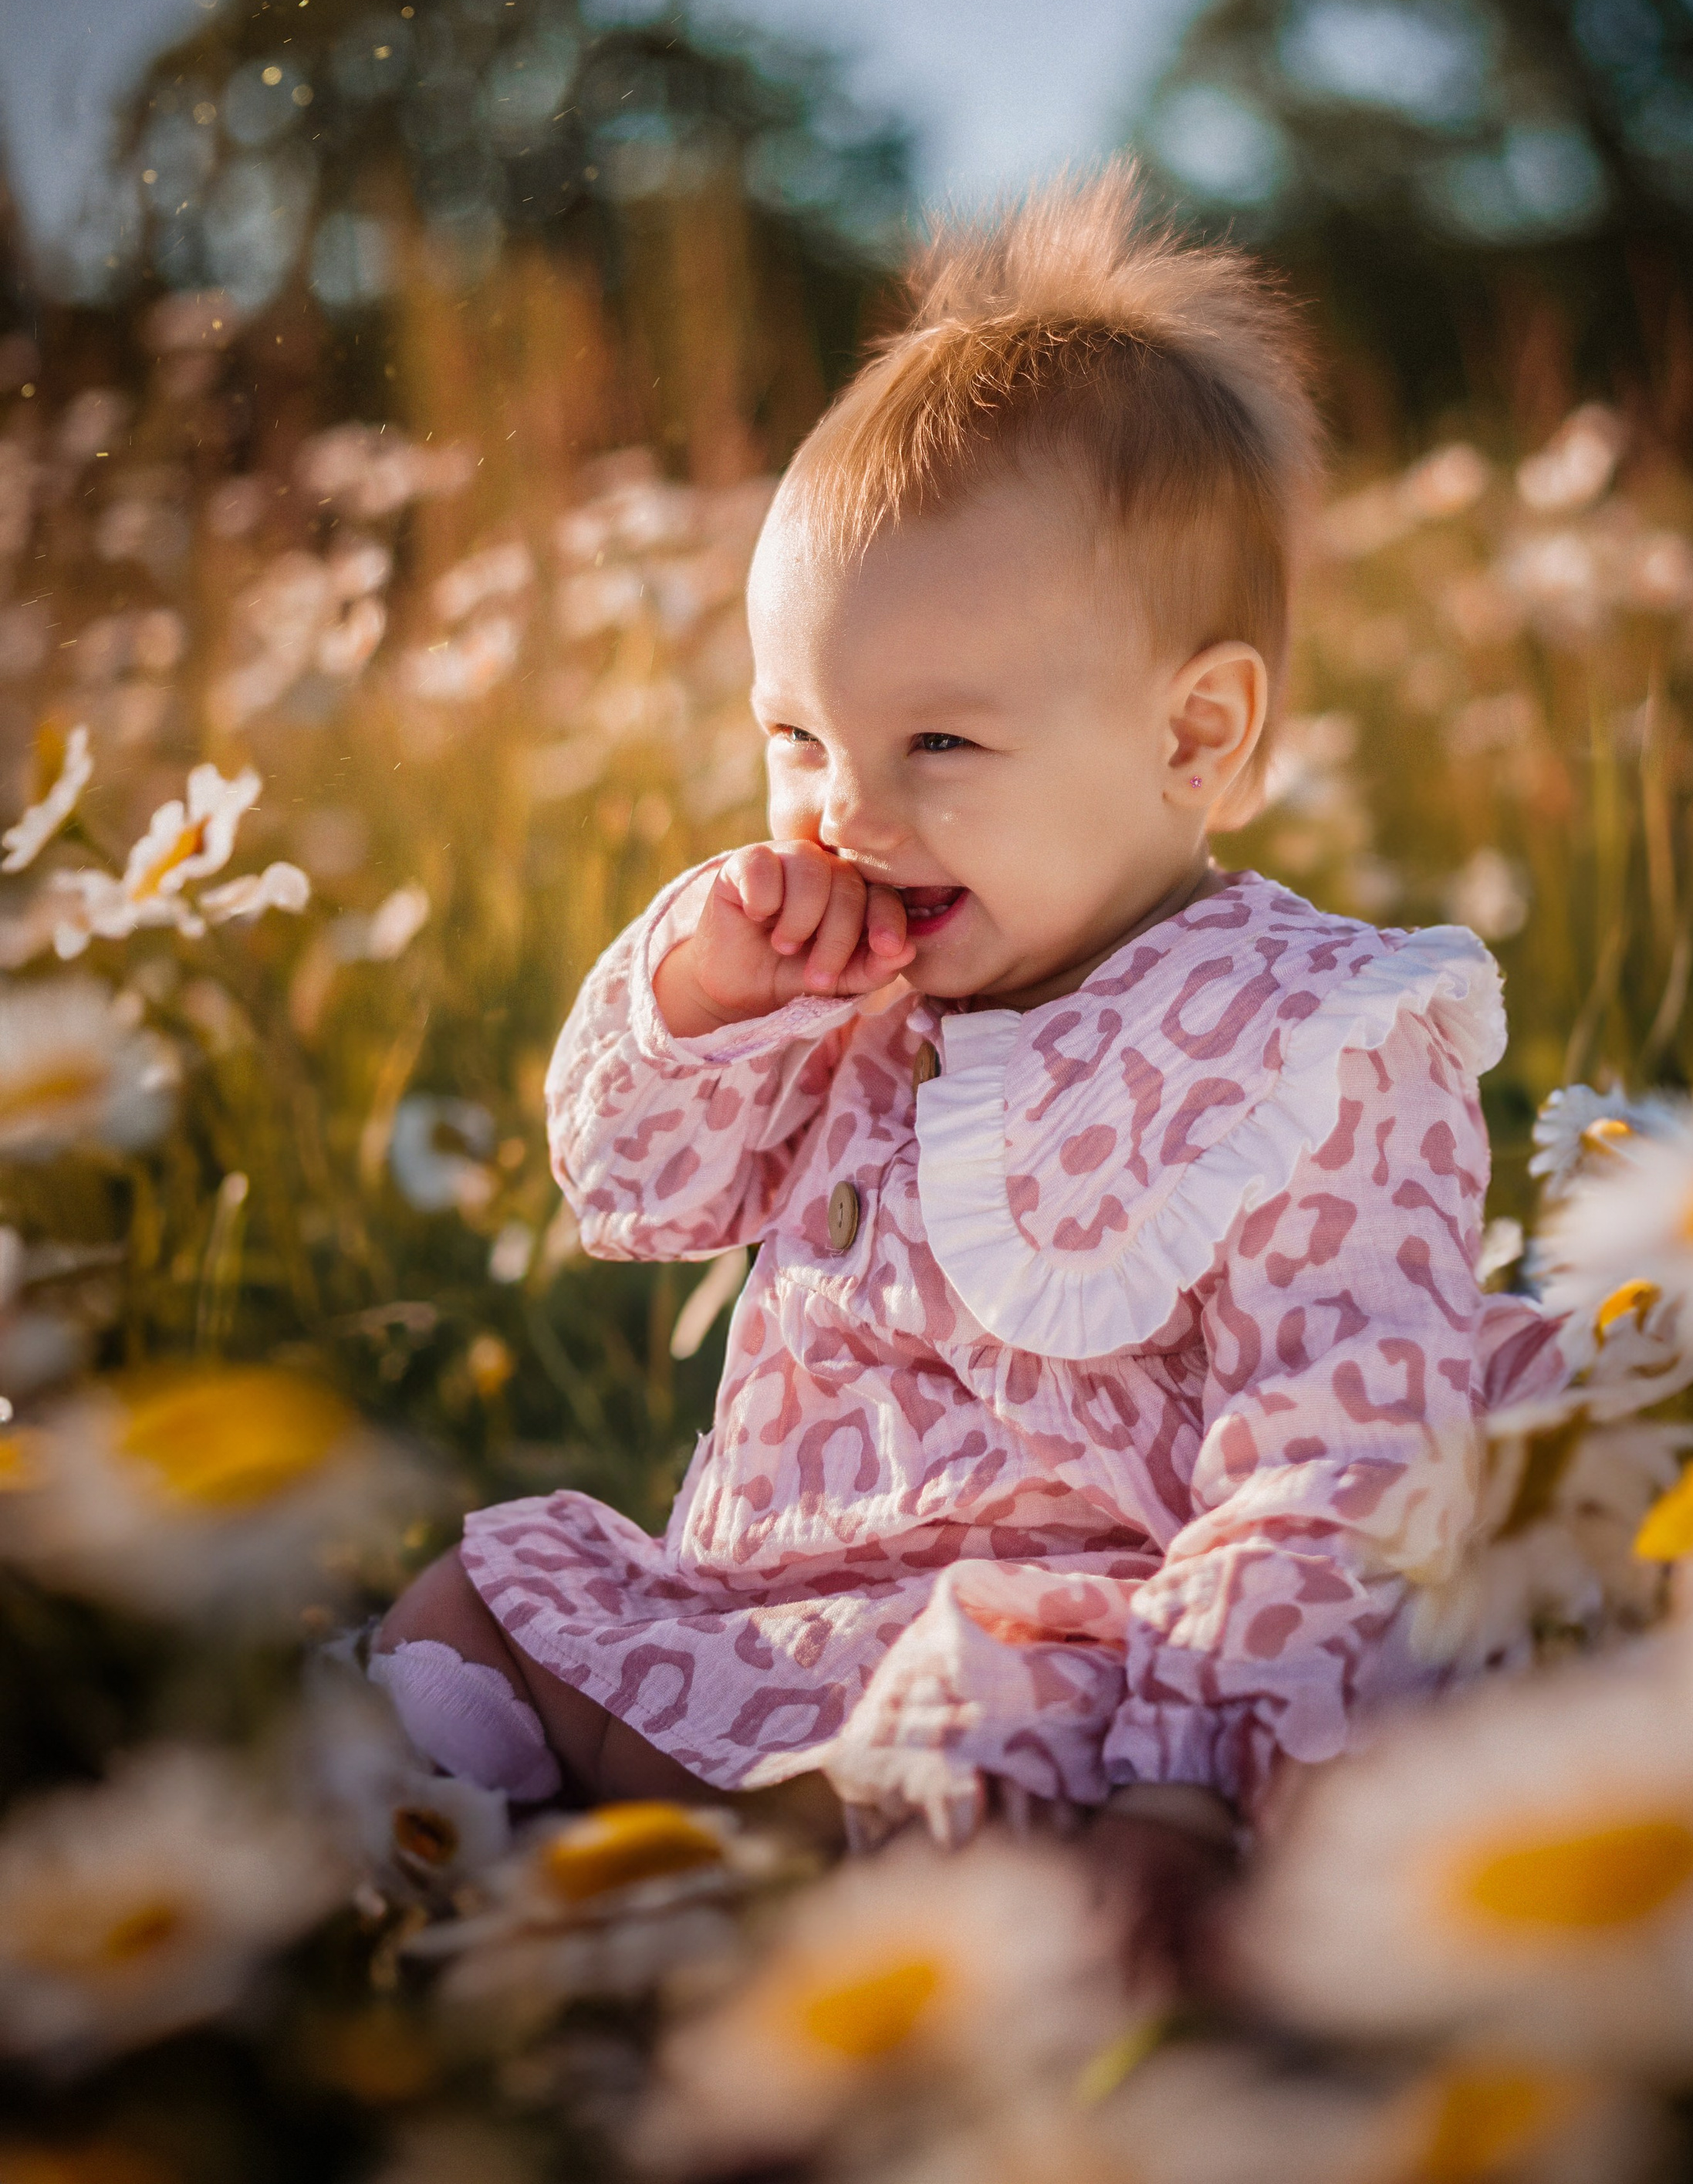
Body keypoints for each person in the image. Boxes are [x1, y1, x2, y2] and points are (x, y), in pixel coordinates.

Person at [370, 162, 1565, 1886]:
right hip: (763, 1612)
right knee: (487, 1593)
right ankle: (487, 1848)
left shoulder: (1307, 1044)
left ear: (1192, 736)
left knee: (983, 1721)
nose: (845, 813)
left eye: (936, 746)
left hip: (1090, 1650)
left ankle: (763, 1902)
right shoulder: (848, 991)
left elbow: (1337, 1456)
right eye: (797, 737)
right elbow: (631, 1187)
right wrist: (703, 995)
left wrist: (1189, 1778)